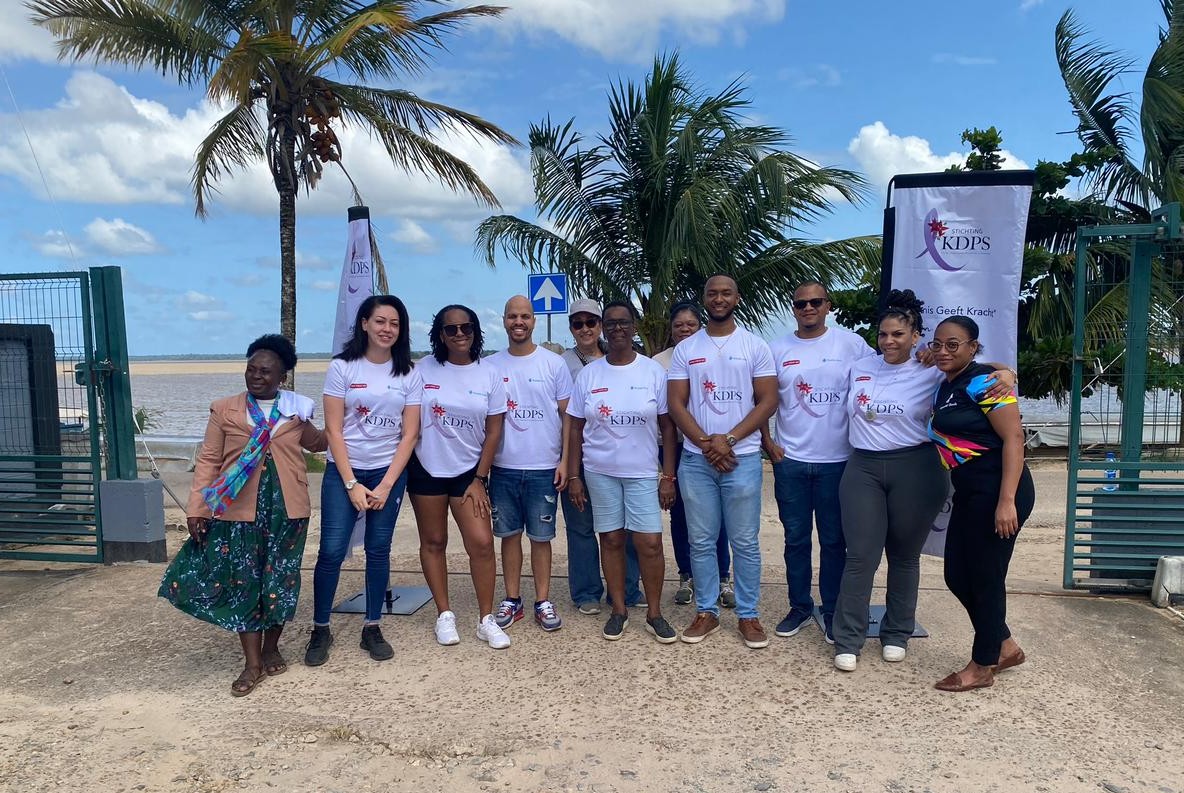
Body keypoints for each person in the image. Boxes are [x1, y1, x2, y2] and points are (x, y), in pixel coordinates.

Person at [832, 290, 1015, 672]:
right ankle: (848, 638)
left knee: (904, 555)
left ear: (916, 337)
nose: (889, 341)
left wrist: (1007, 373)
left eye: (898, 334)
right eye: (883, 334)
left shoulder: (932, 368)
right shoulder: (860, 367)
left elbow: (979, 368)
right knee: (860, 556)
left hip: (916, 466)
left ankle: (897, 632)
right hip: (863, 466)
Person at [160, 334, 326, 696]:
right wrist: (197, 508)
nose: (256, 376)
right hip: (237, 510)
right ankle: (252, 664)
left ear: (282, 377)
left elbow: (318, 444)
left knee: (281, 579)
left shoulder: (296, 410)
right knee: (244, 582)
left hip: (288, 509)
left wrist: (354, 415)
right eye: (251, 369)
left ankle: (271, 648)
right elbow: (208, 460)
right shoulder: (225, 410)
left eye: (265, 371)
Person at [304, 295, 421, 667]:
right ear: (365, 324)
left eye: (395, 323)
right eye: (380, 321)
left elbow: (410, 434)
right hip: (344, 473)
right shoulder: (342, 367)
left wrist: (386, 485)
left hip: (388, 473)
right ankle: (321, 627)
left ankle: (372, 625)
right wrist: (351, 483)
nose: (387, 329)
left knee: (378, 549)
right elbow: (333, 431)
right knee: (331, 550)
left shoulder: (409, 373)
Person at [667, 275, 779, 649]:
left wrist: (728, 440)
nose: (719, 299)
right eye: (712, 293)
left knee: (744, 541)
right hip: (697, 461)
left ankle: (748, 615)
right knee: (700, 540)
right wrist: (706, 444)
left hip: (742, 459)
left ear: (737, 298)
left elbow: (767, 400)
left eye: (726, 293)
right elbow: (676, 404)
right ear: (704, 299)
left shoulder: (754, 346)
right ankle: (706, 612)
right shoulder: (687, 349)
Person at [760, 281, 875, 643]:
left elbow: (888, 370)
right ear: (793, 308)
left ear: (828, 305)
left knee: (834, 541)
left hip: (837, 462)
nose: (808, 308)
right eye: (801, 303)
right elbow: (760, 399)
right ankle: (799, 607)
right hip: (791, 462)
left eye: (815, 302)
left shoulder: (852, 345)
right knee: (795, 540)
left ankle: (832, 609)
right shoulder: (777, 349)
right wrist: (767, 442)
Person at [927, 316, 1035, 692]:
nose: (943, 351)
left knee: (986, 578)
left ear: (972, 347)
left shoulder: (985, 383)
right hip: (970, 490)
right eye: (938, 344)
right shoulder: (949, 383)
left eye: (953, 344)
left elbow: (1014, 439)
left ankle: (982, 665)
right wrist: (1008, 369)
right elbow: (996, 366)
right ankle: (1004, 645)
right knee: (957, 575)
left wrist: (1006, 502)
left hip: (999, 489)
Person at [567, 301, 679, 642]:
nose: (617, 328)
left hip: (642, 472)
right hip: (599, 471)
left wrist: (668, 476)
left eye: (624, 322)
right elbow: (575, 427)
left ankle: (655, 614)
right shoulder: (589, 375)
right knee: (612, 540)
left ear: (634, 327)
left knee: (649, 543)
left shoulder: (652, 372)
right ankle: (619, 610)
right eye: (611, 323)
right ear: (604, 327)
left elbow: (668, 427)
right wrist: (574, 476)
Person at [409, 304, 511, 649]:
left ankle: (486, 619)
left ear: (476, 331)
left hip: (469, 472)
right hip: (426, 468)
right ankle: (444, 614)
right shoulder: (421, 369)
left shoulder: (489, 374)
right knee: (434, 541)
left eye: (466, 327)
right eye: (450, 329)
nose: (459, 334)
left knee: (481, 543)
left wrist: (480, 477)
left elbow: (494, 431)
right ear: (440, 334)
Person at [488, 295, 573, 632]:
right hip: (503, 468)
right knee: (509, 536)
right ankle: (512, 599)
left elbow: (568, 417)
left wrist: (565, 461)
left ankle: (542, 600)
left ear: (534, 321)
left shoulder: (553, 364)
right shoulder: (491, 365)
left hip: (544, 468)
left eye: (524, 316)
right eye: (512, 316)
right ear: (504, 320)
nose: (518, 322)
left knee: (541, 537)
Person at [560, 298, 642, 615]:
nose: (585, 329)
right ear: (571, 328)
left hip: (617, 458)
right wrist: (568, 466)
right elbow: (567, 418)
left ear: (601, 326)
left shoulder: (619, 358)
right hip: (576, 456)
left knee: (624, 528)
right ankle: (586, 592)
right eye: (577, 323)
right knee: (581, 528)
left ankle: (628, 589)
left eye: (591, 322)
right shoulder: (561, 363)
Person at [652, 301, 734, 608]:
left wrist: (714, 442)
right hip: (671, 445)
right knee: (680, 514)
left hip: (709, 446)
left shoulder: (712, 354)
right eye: (678, 325)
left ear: (700, 326)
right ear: (671, 330)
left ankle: (722, 577)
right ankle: (686, 575)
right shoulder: (658, 362)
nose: (684, 329)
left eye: (690, 324)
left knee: (717, 513)